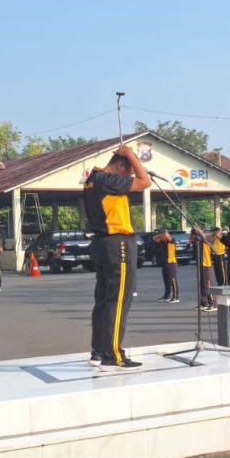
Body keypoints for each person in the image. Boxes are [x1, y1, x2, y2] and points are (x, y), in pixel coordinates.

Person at [84, 145, 150, 371]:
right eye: (128, 172)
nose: (129, 177)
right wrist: (131, 154)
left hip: (103, 244)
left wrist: (128, 159)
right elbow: (145, 181)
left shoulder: (94, 178)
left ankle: (98, 351)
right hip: (117, 243)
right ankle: (113, 355)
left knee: (104, 300)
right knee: (119, 300)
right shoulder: (107, 178)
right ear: (120, 165)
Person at [191, 230, 216, 311]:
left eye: (194, 235)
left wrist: (198, 230)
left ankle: (212, 303)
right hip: (200, 265)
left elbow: (204, 237)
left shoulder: (206, 240)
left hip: (206, 265)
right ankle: (203, 303)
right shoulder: (198, 242)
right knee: (201, 284)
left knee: (208, 284)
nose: (192, 237)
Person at [152, 229, 180, 303]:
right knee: (166, 280)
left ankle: (175, 297)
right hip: (165, 262)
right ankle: (166, 296)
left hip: (171, 262)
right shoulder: (162, 241)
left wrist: (164, 233)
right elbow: (154, 238)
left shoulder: (171, 240)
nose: (160, 237)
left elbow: (167, 236)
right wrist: (159, 235)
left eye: (161, 235)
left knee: (172, 279)